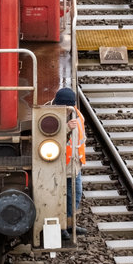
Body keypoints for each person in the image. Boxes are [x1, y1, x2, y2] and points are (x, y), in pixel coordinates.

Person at [53, 87, 86, 238]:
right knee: (59, 197)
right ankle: (61, 227)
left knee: (75, 195)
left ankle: (70, 223)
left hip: (74, 164)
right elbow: (47, 139)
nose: (68, 110)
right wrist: (66, 128)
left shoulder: (77, 115)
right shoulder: (51, 116)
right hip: (59, 166)